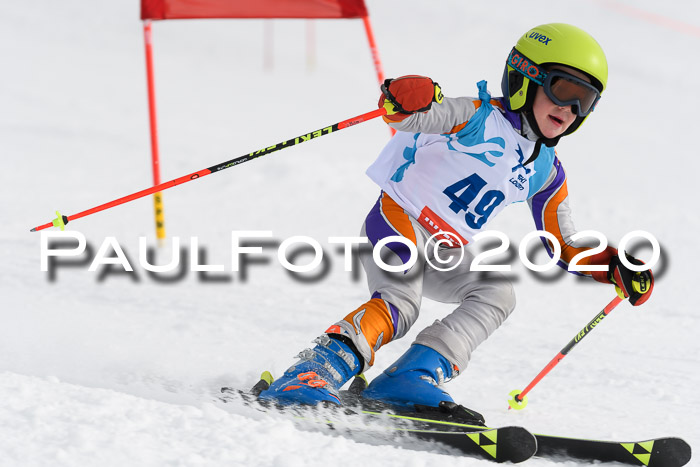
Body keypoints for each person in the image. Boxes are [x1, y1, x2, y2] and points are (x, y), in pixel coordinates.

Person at [257, 23, 654, 413]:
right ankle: (311, 371)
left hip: (447, 248)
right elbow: (408, 117)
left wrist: (612, 264)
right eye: (563, 90)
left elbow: (563, 244)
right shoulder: (476, 117)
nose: (570, 109)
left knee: (497, 292)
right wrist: (408, 97)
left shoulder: (547, 170)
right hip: (400, 219)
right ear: (526, 78)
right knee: (401, 304)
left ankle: (409, 377)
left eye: (585, 101)